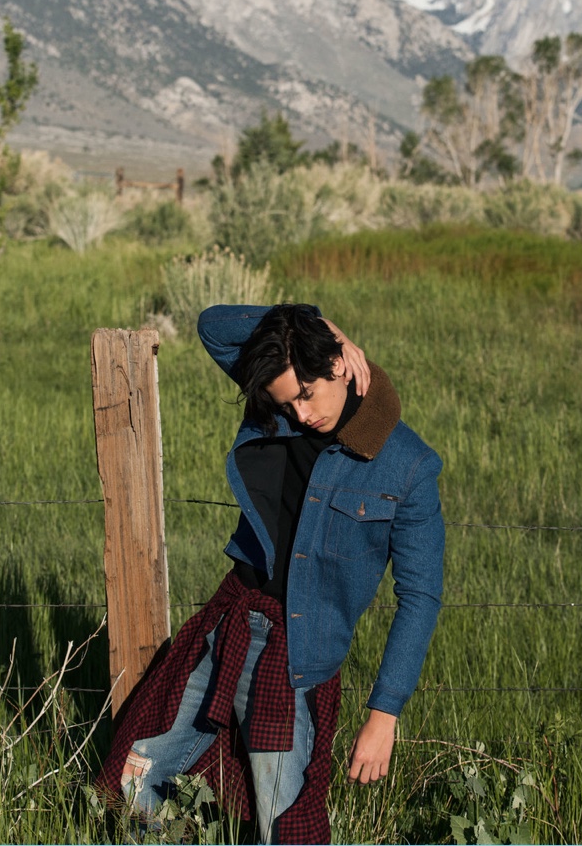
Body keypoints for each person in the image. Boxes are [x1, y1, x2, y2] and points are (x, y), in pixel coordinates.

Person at [97, 303, 444, 845]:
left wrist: (384, 715)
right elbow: (214, 326)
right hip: (230, 620)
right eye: (288, 402)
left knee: (283, 826)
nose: (302, 415)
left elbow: (420, 596)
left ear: (338, 366)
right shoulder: (279, 407)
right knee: (137, 768)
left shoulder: (409, 465)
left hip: (296, 657)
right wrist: (327, 325)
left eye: (307, 395)